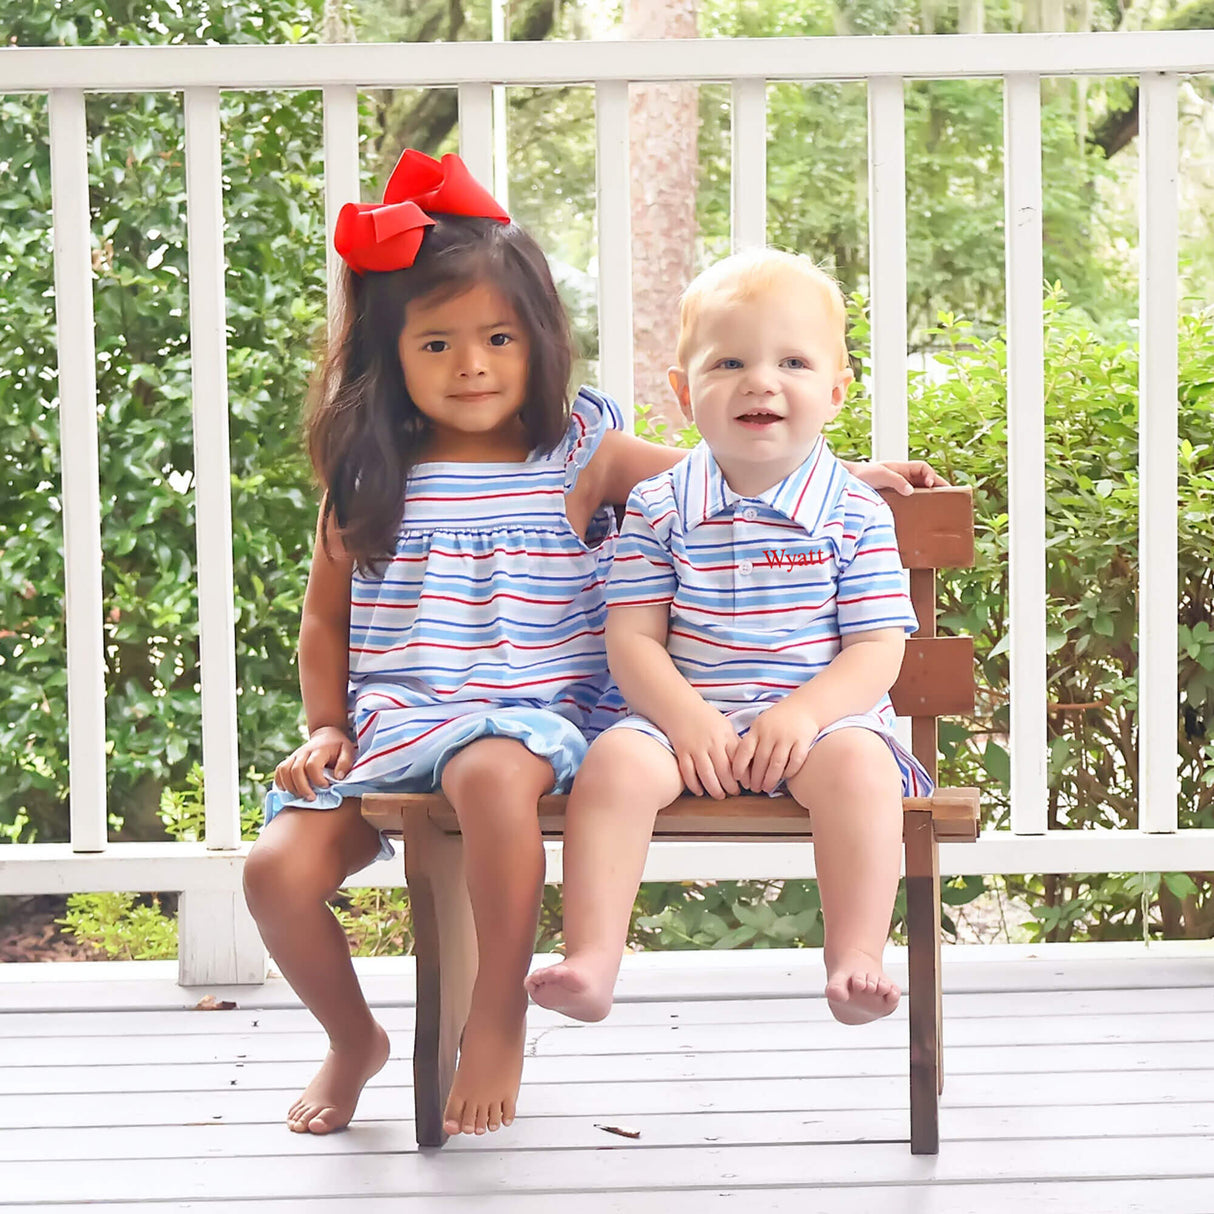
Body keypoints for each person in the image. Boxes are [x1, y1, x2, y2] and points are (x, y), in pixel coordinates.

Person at [243, 151, 940, 1140]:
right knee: (274, 872)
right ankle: (353, 1039)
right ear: (389, 355)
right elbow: (325, 620)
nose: (472, 365)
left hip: (529, 722)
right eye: (436, 343)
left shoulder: (580, 451)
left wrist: (844, 471)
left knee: (491, 774)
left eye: (497, 338)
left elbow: (723, 466)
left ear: (538, 340)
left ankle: (497, 1016)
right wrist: (326, 724)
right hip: (396, 727)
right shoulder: (368, 479)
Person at [527, 248, 934, 1032]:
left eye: (793, 362)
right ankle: (592, 960)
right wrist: (686, 721)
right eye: (729, 362)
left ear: (836, 391)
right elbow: (634, 640)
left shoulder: (854, 512)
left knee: (863, 770)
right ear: (685, 393)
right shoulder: (659, 508)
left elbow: (876, 649)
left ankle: (855, 957)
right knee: (614, 764)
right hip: (685, 728)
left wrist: (804, 715)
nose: (760, 382)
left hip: (820, 730)